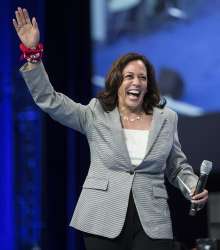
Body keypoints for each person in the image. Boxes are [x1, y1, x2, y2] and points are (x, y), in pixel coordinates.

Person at [13, 7, 208, 250]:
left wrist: (191, 186)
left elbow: (176, 167)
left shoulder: (166, 118)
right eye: (129, 77)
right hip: (102, 218)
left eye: (143, 77)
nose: (136, 82)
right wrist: (32, 53)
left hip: (152, 220)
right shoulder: (95, 113)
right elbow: (49, 100)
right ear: (117, 83)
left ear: (148, 85)